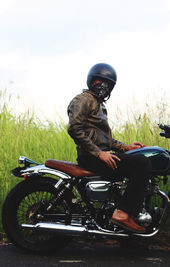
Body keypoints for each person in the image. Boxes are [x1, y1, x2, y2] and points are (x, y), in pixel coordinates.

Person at [67, 63, 152, 233]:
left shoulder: (99, 105)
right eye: (100, 81)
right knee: (142, 164)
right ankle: (122, 214)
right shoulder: (83, 99)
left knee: (141, 159)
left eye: (108, 83)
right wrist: (99, 154)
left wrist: (125, 147)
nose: (103, 86)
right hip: (91, 157)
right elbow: (74, 129)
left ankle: (118, 226)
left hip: (98, 155)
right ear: (92, 81)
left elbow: (105, 139)